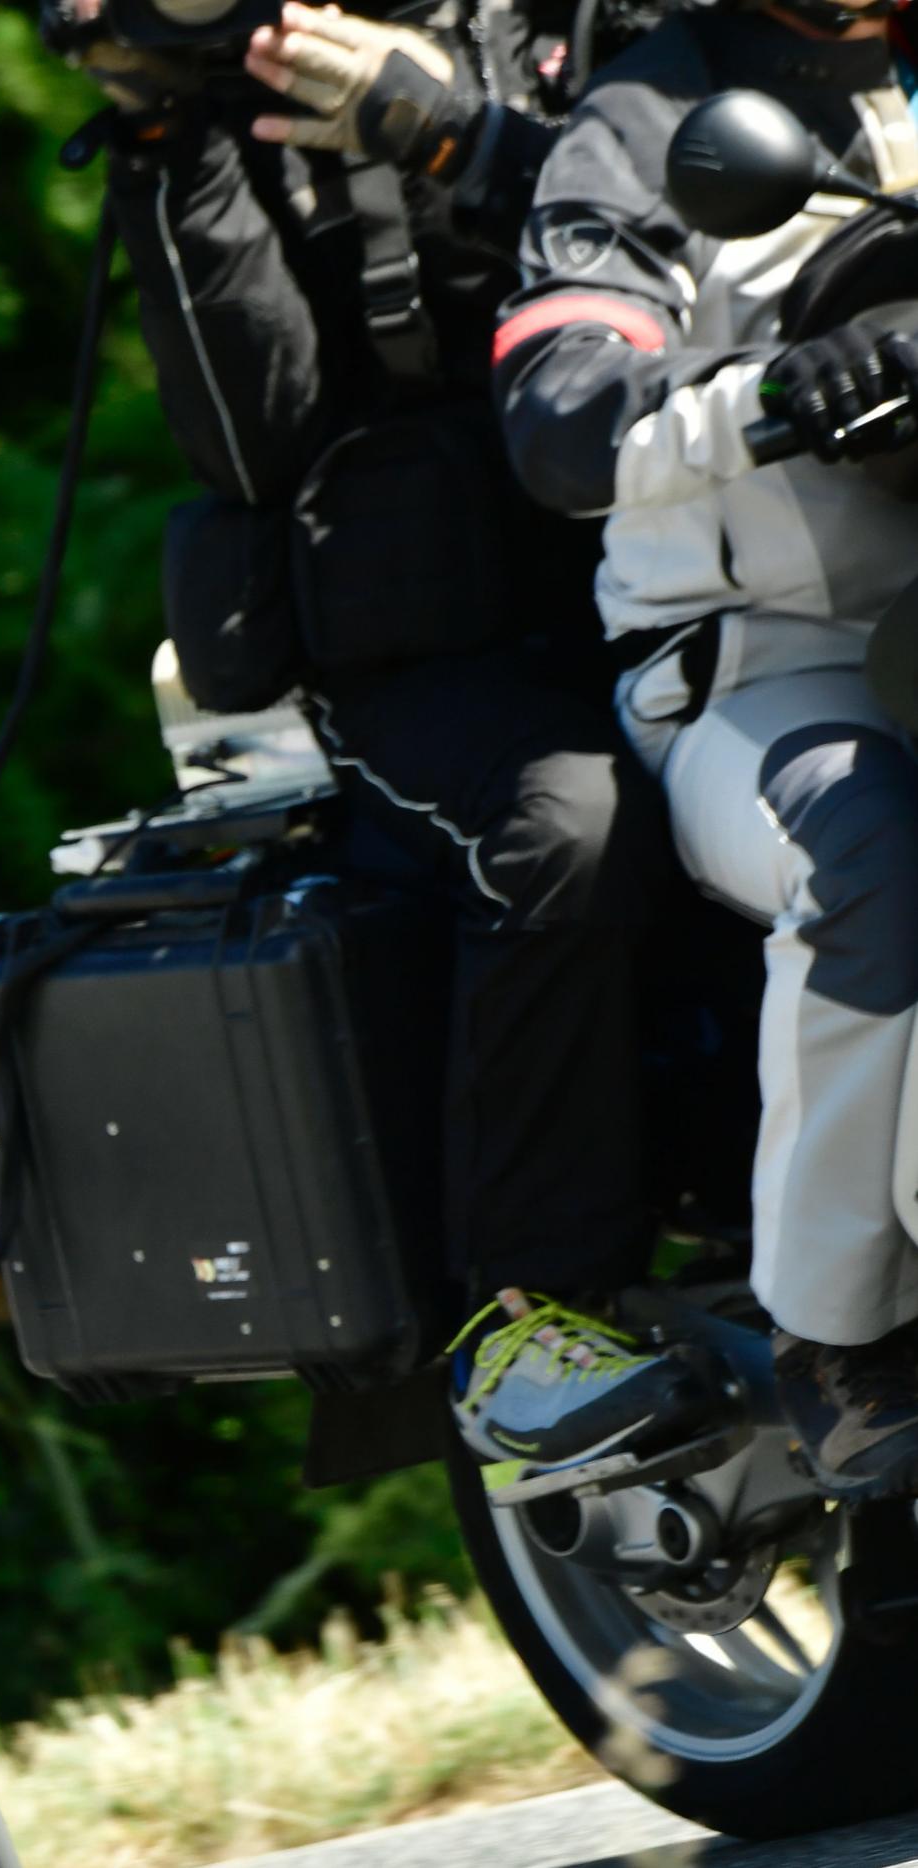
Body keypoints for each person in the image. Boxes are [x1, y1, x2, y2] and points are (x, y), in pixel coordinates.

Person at [45, 0, 730, 1471]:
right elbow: (258, 436)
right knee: (568, 822)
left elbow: (723, 242)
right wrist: (179, 132)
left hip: (709, 548)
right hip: (436, 643)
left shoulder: (623, 28)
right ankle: (526, 1318)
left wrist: (446, 131)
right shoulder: (251, 79)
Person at [494, 0, 918, 1495]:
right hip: (768, 673)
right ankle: (840, 1337)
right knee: (872, 846)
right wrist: (781, 393)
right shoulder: (648, 120)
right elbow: (558, 417)